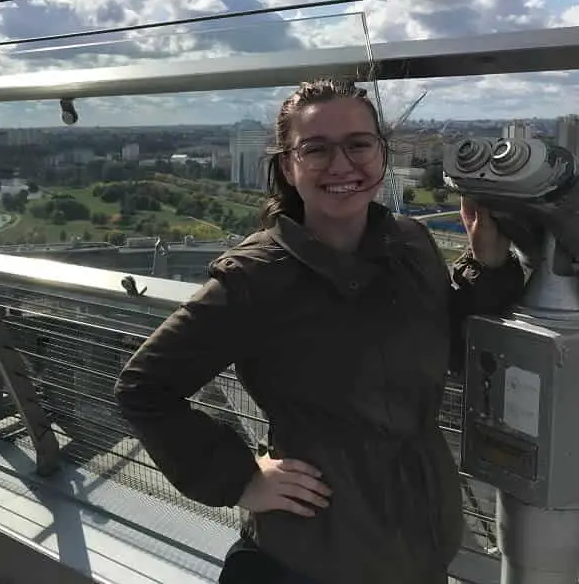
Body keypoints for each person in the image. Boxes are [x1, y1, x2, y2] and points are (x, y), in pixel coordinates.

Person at [113, 79, 525, 584]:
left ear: (381, 153)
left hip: (420, 542)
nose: (342, 165)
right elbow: (144, 388)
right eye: (317, 149)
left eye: (358, 144)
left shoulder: (412, 244)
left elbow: (452, 350)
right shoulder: (256, 277)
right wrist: (240, 478)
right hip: (311, 556)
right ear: (288, 166)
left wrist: (486, 263)